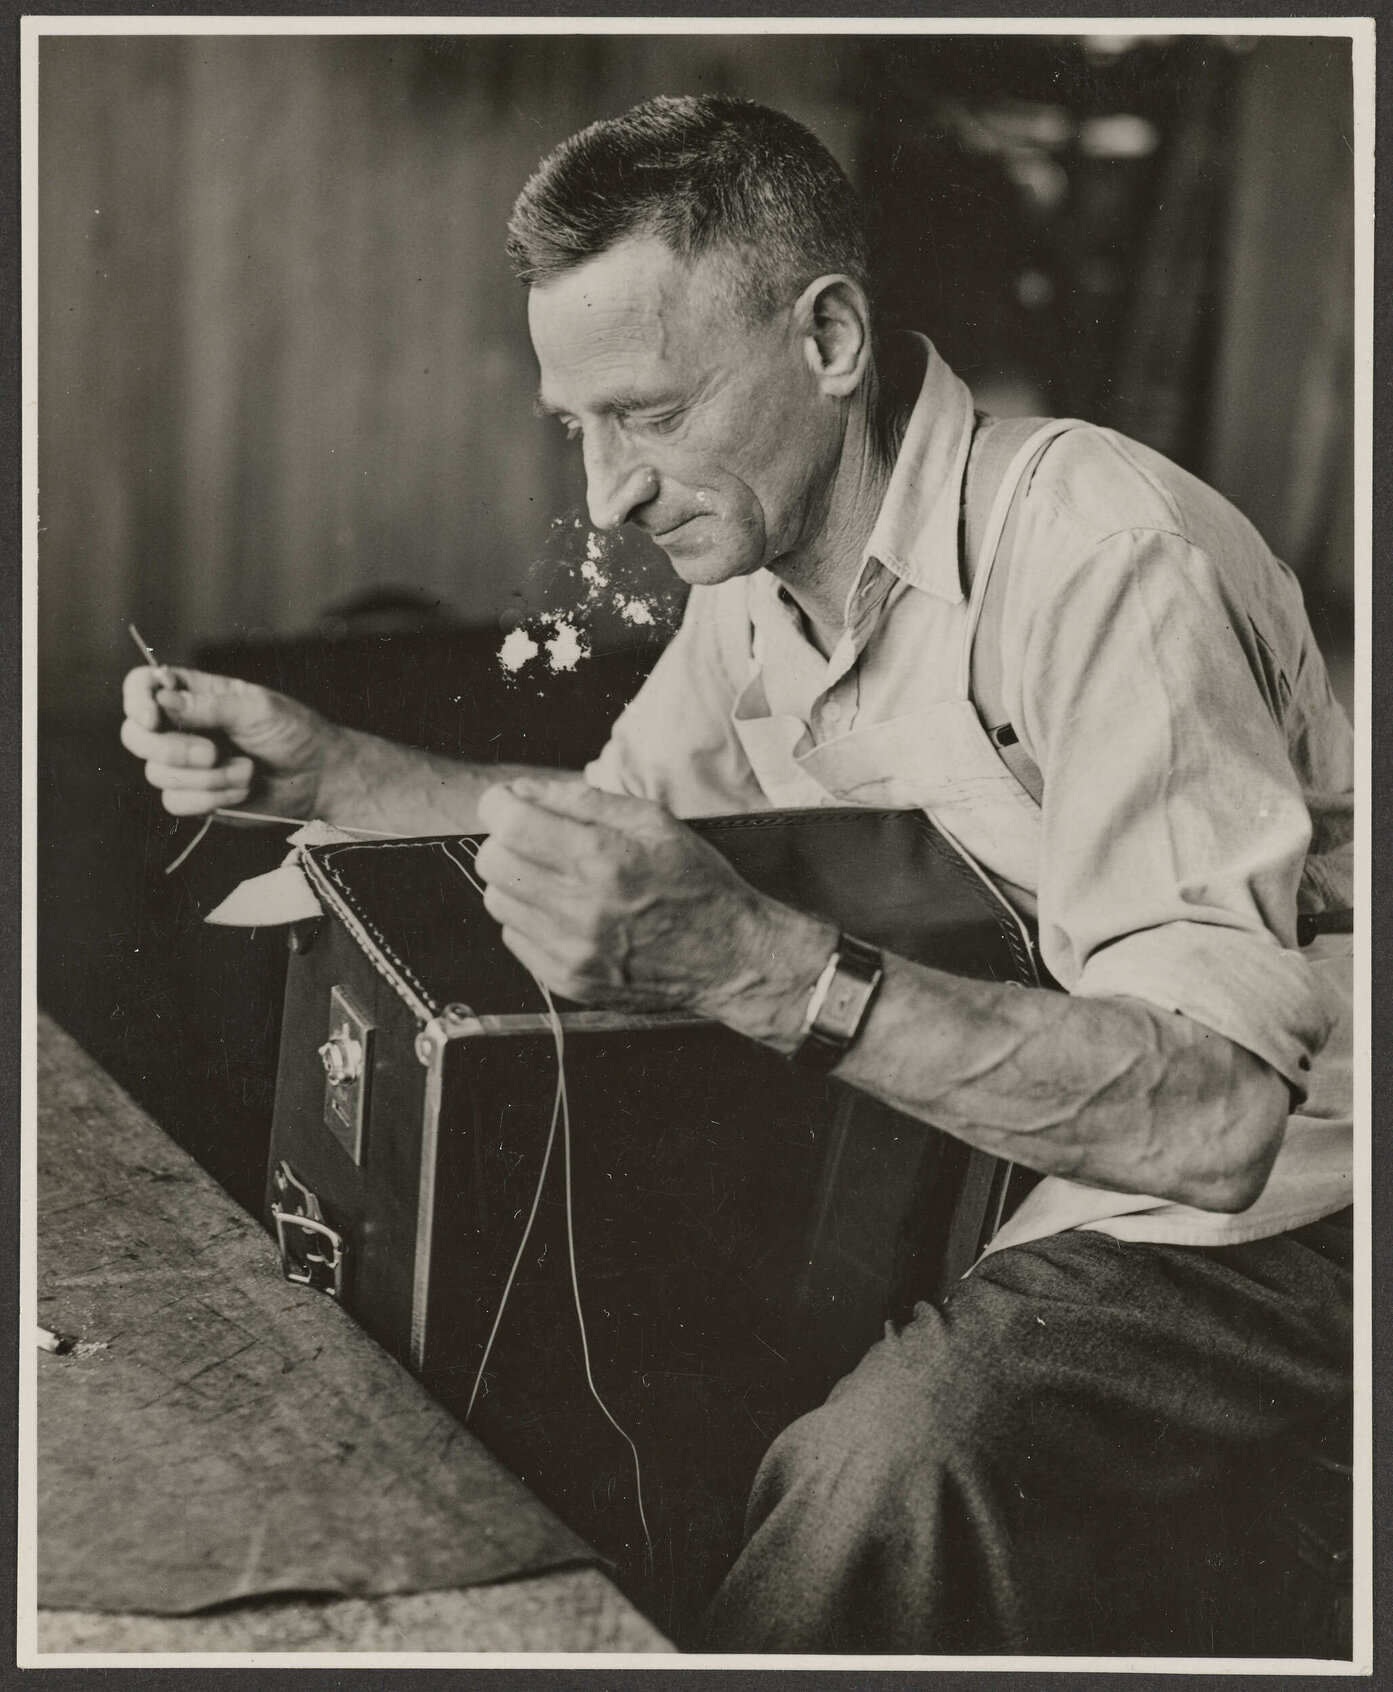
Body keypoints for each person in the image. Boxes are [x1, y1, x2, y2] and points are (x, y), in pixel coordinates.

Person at [120, 96, 1354, 1654]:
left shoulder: (1100, 553)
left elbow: (1216, 1115)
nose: (605, 500)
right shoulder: (767, 576)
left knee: (888, 1460)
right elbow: (613, 831)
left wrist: (753, 965)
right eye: (576, 427)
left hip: (1301, 1199)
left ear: (828, 336)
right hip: (1013, 1151)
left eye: (647, 415)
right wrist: (339, 777)